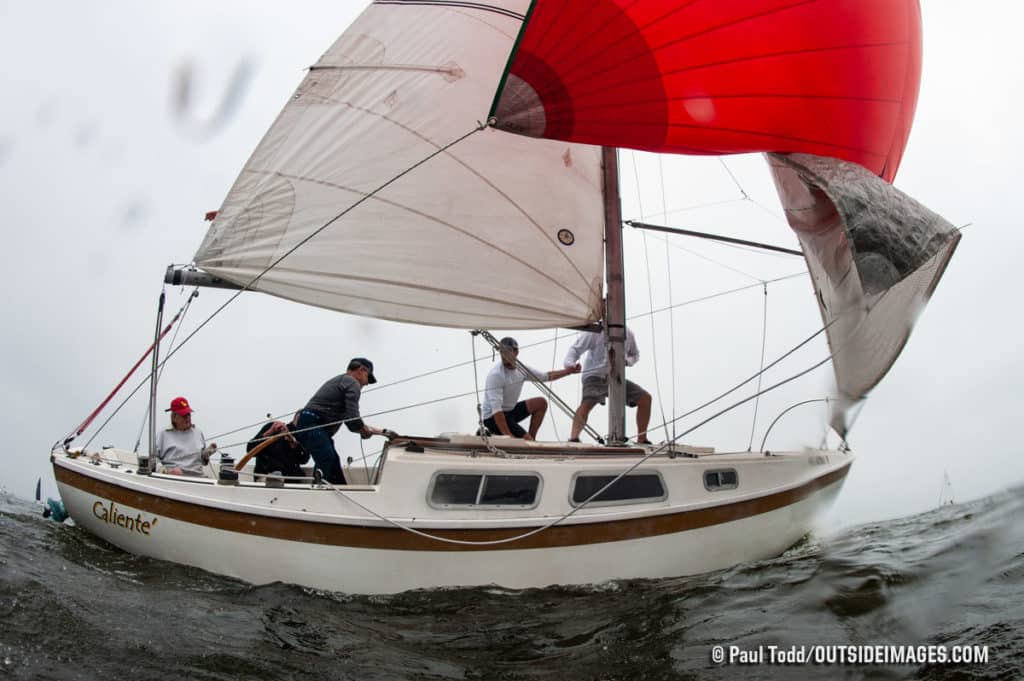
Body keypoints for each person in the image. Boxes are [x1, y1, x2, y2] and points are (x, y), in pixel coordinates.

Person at [293, 358, 388, 484]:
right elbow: (353, 420)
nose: (366, 384)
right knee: (326, 457)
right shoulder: (352, 382)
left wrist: (374, 431)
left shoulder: (342, 381)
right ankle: (319, 489)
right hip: (313, 423)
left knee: (333, 462)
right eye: (368, 378)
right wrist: (364, 431)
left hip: (313, 424)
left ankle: (336, 488)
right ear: (361, 370)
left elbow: (350, 422)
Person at [481, 337, 581, 440]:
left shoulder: (521, 369)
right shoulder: (496, 375)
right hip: (492, 417)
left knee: (541, 403)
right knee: (524, 439)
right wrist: (508, 436)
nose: (504, 355)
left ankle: (532, 438)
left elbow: (545, 376)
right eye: (502, 351)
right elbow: (497, 410)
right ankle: (525, 440)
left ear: (516, 352)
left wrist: (568, 371)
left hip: (509, 412)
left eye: (507, 351)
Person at [563, 328, 652, 444]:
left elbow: (635, 354)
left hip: (616, 377)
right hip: (594, 375)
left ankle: (642, 439)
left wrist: (627, 361)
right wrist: (570, 364)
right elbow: (575, 349)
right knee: (588, 402)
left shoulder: (628, 334)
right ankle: (574, 438)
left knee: (645, 398)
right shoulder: (595, 332)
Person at [155, 396, 216, 475]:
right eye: (184, 415)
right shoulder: (163, 434)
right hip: (172, 478)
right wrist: (165, 471)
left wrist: (206, 454)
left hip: (198, 477)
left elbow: (203, 462)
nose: (188, 418)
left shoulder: (198, 433)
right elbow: (153, 459)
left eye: (189, 414)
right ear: (174, 417)